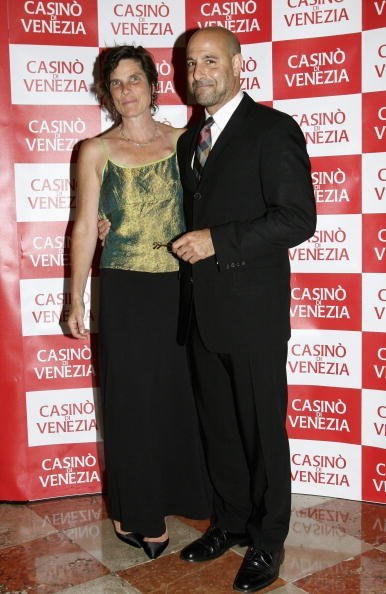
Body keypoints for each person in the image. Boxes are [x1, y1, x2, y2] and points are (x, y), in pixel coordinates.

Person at [170, 27, 317, 592]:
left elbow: (297, 219)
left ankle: (268, 540)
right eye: (190, 64)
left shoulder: (273, 129)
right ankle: (229, 524)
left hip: (252, 310)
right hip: (202, 311)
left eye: (211, 60)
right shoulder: (190, 142)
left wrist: (218, 241)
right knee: (221, 429)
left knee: (261, 430)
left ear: (237, 65)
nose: (199, 72)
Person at [68, 45, 211, 560]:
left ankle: (180, 495)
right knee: (130, 404)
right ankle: (139, 512)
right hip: (126, 289)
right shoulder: (95, 150)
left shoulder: (186, 141)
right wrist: (75, 298)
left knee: (178, 397)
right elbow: (85, 226)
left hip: (180, 287)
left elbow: (212, 204)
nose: (127, 90)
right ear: (107, 93)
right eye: (116, 83)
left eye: (135, 79)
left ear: (154, 85)